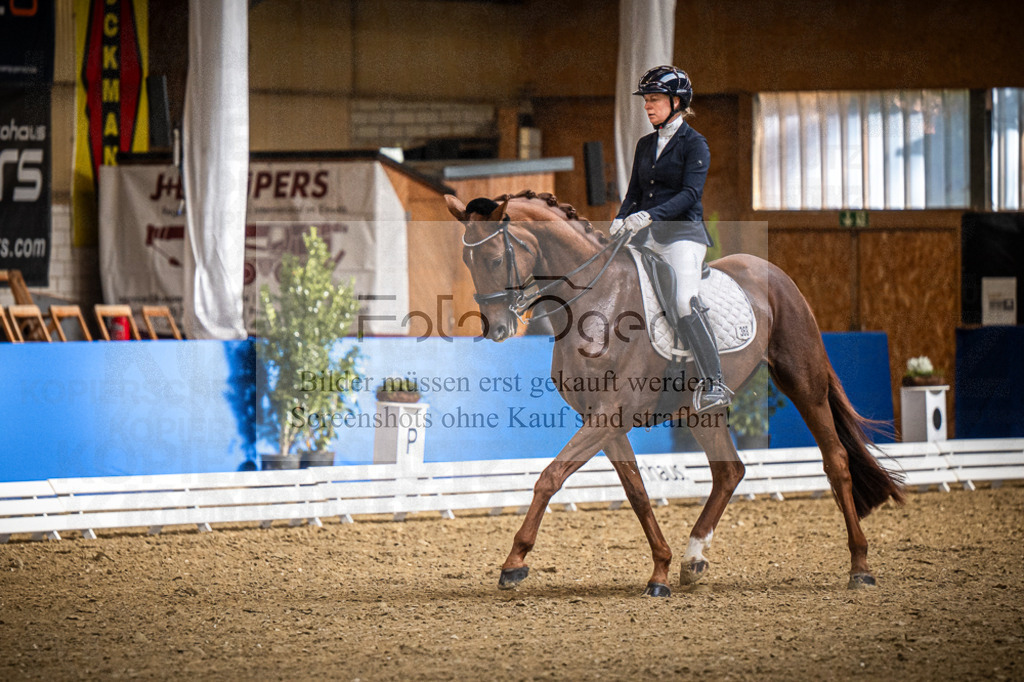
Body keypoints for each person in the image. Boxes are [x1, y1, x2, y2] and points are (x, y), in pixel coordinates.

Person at [610, 65, 730, 412]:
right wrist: (621, 218)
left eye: (655, 100)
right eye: (646, 100)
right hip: (647, 235)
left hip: (683, 236)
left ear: (677, 102)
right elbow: (634, 191)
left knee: (683, 300)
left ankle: (714, 381)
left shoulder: (696, 144)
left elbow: (691, 194)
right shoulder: (645, 144)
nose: (648, 107)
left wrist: (651, 214)